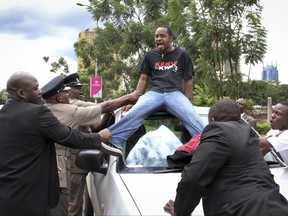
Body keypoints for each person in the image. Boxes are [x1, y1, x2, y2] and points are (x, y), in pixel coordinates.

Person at [0, 71, 116, 216]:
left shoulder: (3, 114)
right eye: (36, 88)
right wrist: (99, 137)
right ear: (21, 93)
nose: (40, 91)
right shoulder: (38, 113)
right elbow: (69, 137)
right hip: (30, 197)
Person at [163, 99, 288, 216]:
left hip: (241, 210)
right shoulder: (248, 132)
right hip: (277, 206)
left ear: (213, 119)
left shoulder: (218, 130)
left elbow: (193, 179)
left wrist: (180, 211)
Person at [43, 73, 138, 216]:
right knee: (71, 206)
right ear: (60, 96)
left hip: (53, 166)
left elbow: (91, 128)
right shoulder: (71, 108)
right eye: (69, 91)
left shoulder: (43, 110)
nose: (79, 91)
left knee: (63, 204)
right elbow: (103, 107)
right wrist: (131, 98)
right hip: (68, 166)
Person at [100, 24, 205, 151]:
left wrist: (187, 102)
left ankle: (206, 144)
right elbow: (143, 78)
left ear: (171, 38)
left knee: (192, 117)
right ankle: (115, 140)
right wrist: (137, 100)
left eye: (162, 36)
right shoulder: (150, 55)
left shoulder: (182, 54)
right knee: (133, 114)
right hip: (154, 93)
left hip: (174, 94)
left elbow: (188, 80)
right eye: (156, 36)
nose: (158, 39)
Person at [259, 100, 288, 165]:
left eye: (278, 113)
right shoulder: (274, 131)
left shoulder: (286, 135)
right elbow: (264, 149)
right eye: (273, 112)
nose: (272, 115)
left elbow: (262, 143)